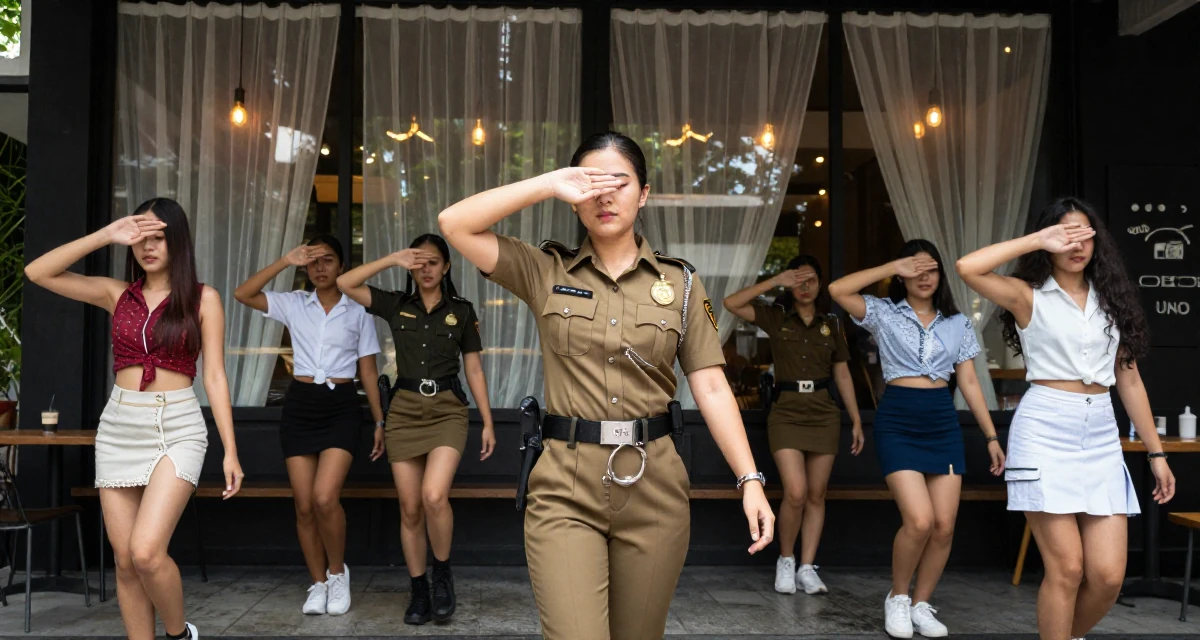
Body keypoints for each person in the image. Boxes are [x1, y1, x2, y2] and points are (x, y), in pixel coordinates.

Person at [438, 131, 774, 640]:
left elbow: (709, 386)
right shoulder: (544, 270)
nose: (604, 195)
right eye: (589, 183)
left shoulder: (681, 285)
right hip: (564, 488)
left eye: (619, 181)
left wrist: (750, 480)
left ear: (643, 193)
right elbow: (453, 224)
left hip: (656, 488)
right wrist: (549, 183)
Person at [955, 197, 1175, 640]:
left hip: (1100, 435)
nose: (1076, 244)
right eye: (1065, 234)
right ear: (1050, 242)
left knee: (1109, 577)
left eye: (1084, 234)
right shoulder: (1027, 296)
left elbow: (1129, 382)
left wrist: (1157, 453)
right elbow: (967, 267)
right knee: (1067, 569)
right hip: (1044, 428)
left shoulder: (1111, 300)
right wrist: (1037, 238)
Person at [24, 198, 244, 640]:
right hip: (120, 425)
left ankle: (180, 634)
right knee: (124, 560)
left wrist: (231, 451)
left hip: (178, 426)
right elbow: (38, 272)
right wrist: (107, 233)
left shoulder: (204, 299)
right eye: (141, 237)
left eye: (159, 237)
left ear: (177, 241)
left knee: (146, 553)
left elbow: (216, 377)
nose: (148, 246)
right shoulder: (115, 294)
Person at [828, 239, 1004, 639]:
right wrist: (894, 263)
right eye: (915, 270)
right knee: (920, 520)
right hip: (898, 420)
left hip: (942, 421)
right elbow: (838, 290)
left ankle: (922, 603)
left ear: (942, 276)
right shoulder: (885, 314)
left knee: (943, 525)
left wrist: (991, 435)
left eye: (931, 270)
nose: (924, 278)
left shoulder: (958, 323)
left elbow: (971, 383)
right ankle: (899, 597)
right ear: (903, 275)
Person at [337, 233, 495, 625]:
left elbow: (473, 367)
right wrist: (392, 258)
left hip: (447, 411)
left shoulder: (461, 309)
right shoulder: (396, 304)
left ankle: (442, 576)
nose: (426, 270)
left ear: (446, 267)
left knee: (433, 496)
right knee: (409, 510)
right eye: (419, 262)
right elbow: (345, 283)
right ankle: (419, 589)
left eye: (434, 263)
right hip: (405, 412)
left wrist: (488, 420)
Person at [233, 234, 384, 616]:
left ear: (342, 266)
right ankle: (316, 582)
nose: (319, 268)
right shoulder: (294, 304)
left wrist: (380, 420)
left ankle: (337, 575)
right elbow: (243, 294)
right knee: (303, 506)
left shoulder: (358, 309)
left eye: (328, 260)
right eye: (313, 261)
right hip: (300, 406)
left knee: (323, 498)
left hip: (341, 406)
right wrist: (286, 260)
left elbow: (368, 368)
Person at [724, 255, 864, 595]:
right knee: (797, 492)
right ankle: (785, 559)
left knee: (817, 495)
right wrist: (775, 281)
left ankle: (807, 566)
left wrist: (856, 418)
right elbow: (731, 303)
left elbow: (842, 372)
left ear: (820, 285)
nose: (804, 286)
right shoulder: (776, 317)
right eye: (798, 280)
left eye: (811, 280)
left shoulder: (831, 322)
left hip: (824, 412)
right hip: (786, 412)